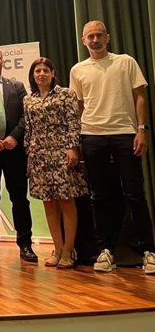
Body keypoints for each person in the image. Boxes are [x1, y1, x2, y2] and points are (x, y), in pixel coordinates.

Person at [69, 20, 155, 275]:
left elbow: (140, 96)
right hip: (92, 136)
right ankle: (105, 251)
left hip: (125, 135)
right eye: (90, 37)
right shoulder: (78, 70)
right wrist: (76, 141)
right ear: (83, 41)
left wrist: (142, 130)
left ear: (108, 37)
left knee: (135, 194)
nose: (94, 40)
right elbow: (79, 108)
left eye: (99, 35)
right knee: (99, 196)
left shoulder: (126, 62)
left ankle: (148, 251)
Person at [24, 57, 88, 269]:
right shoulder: (29, 99)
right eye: (37, 71)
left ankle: (69, 250)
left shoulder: (66, 94)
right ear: (33, 75)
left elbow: (73, 122)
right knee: (48, 202)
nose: (41, 74)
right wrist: (29, 153)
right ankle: (57, 248)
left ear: (52, 74)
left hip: (62, 153)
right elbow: (29, 129)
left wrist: (72, 148)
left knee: (66, 201)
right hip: (39, 156)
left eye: (45, 70)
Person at [0, 47, 37, 263]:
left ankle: (25, 245)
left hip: (14, 151)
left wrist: (14, 136)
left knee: (20, 199)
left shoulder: (17, 86)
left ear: (2, 62)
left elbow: (26, 115)